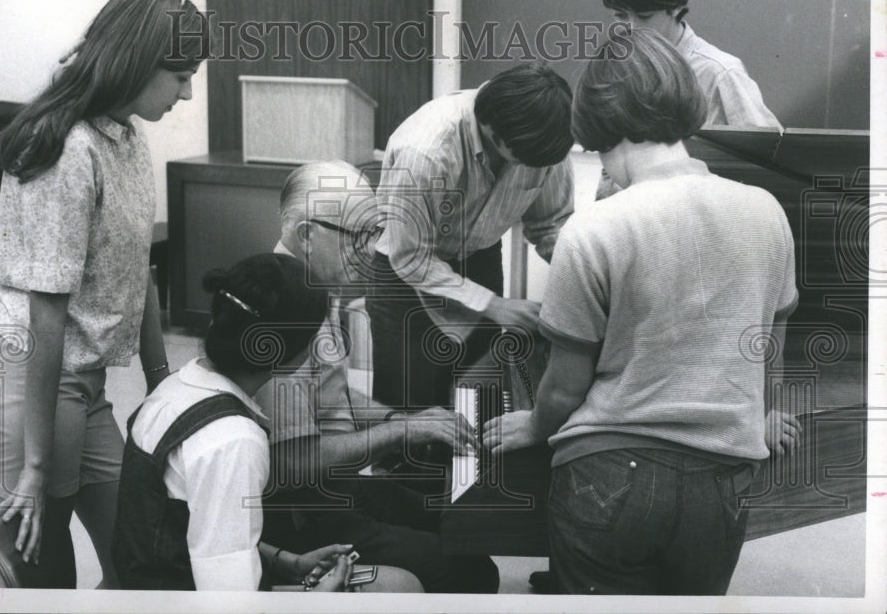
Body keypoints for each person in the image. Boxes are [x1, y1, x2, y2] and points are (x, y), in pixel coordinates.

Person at [483, 28, 801, 595]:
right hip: (724, 479)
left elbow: (562, 389)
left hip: (609, 473)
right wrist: (758, 416)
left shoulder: (594, 229)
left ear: (599, 124)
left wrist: (533, 425)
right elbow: (766, 353)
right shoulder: (769, 212)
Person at [0, 0, 203, 588]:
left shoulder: (124, 133)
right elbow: (48, 314)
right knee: (44, 578)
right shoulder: (69, 148)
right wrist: (37, 467)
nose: (188, 91)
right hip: (32, 374)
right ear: (135, 63)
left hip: (82, 381)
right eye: (179, 76)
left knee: (139, 558)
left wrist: (160, 389)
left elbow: (139, 266)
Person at [253, 161, 499, 594]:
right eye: (358, 236)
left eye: (375, 233)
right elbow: (296, 462)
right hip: (306, 511)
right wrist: (401, 430)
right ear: (308, 235)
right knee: (473, 572)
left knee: (455, 520)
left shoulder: (312, 285)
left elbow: (328, 396)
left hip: (337, 486)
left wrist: (400, 418)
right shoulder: (282, 313)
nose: (370, 249)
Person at [112, 253, 422, 593]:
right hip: (181, 602)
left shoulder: (176, 389)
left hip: (161, 583)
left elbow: (195, 527)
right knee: (403, 587)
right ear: (291, 352)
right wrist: (321, 596)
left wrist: (284, 562)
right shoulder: (234, 440)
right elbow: (229, 598)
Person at [369, 63, 575, 411]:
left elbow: (550, 224)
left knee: (479, 397)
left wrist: (585, 277)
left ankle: (470, 464)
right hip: (405, 272)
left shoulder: (545, 139)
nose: (531, 169)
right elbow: (411, 258)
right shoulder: (425, 151)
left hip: (480, 258)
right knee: (411, 413)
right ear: (493, 132)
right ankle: (412, 466)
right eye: (523, 161)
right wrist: (495, 306)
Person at [596, 0, 783, 200]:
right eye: (619, 16)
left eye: (643, 15)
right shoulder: (622, 69)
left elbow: (771, 161)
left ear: (675, 7)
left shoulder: (720, 73)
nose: (629, 28)